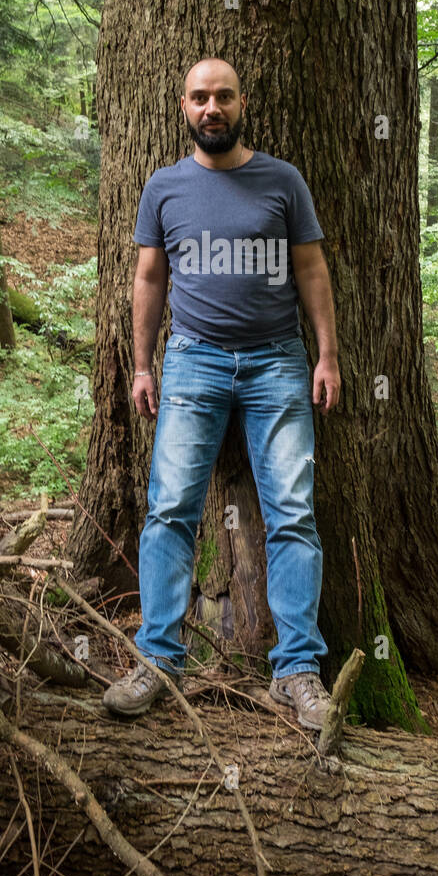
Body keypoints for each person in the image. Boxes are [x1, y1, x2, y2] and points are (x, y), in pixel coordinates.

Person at [103, 58, 342, 730]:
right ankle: (157, 659)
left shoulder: (282, 181)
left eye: (224, 97)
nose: (213, 108)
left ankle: (296, 670)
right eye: (201, 98)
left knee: (292, 512)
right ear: (184, 106)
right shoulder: (165, 187)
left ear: (242, 104)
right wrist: (143, 364)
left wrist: (327, 355)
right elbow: (148, 279)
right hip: (192, 364)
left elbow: (311, 267)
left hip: (277, 364)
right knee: (171, 508)